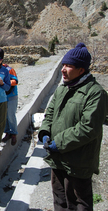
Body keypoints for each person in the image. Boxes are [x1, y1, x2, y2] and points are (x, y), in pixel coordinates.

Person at [38, 43, 108, 210]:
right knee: (60, 201)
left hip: (78, 162)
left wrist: (58, 143)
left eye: (68, 66)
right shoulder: (62, 89)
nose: (63, 69)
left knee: (78, 204)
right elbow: (50, 113)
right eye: (63, 64)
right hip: (57, 159)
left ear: (81, 70)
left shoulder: (95, 93)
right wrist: (45, 133)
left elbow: (88, 128)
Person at [1, 64, 18, 145]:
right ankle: (7, 133)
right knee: (4, 116)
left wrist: (4, 82)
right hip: (2, 96)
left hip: (11, 95)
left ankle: (14, 133)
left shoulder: (9, 69)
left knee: (11, 115)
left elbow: (15, 81)